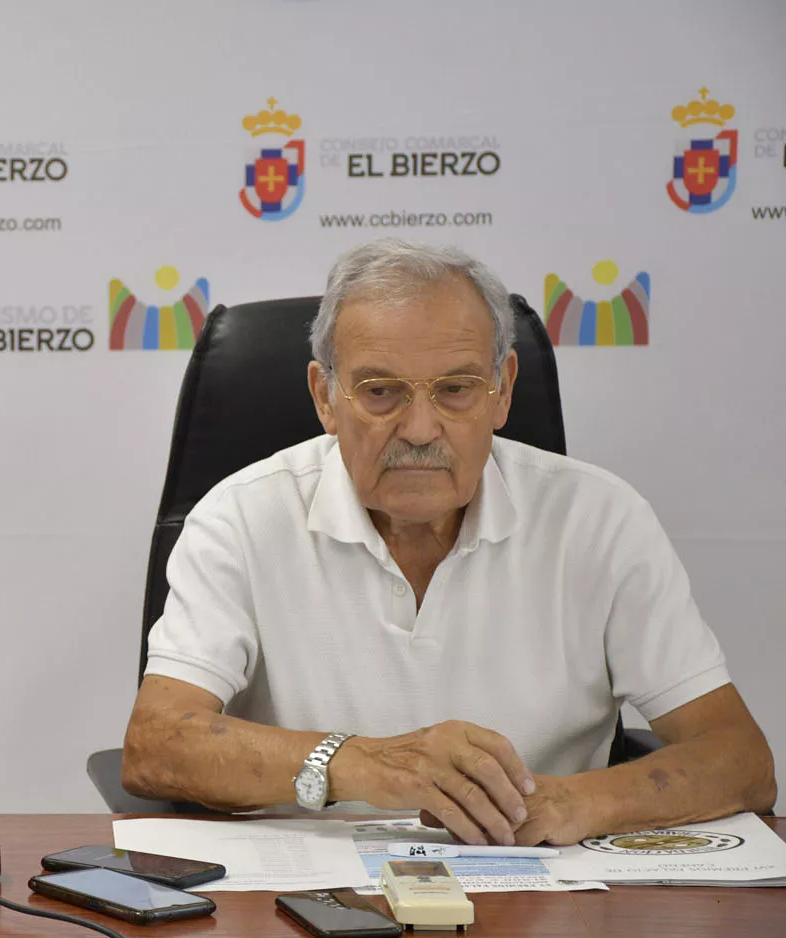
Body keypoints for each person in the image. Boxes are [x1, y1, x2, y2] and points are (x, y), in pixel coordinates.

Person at [121, 238, 775, 846]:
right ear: (326, 397)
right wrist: (359, 762)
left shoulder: (599, 519)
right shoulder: (240, 518)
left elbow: (740, 760)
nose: (420, 427)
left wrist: (575, 804)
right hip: (305, 918)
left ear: (503, 391)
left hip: (547, 908)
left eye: (456, 389)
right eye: (381, 392)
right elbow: (156, 743)